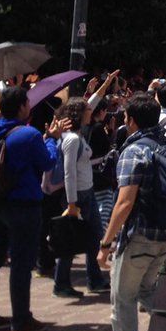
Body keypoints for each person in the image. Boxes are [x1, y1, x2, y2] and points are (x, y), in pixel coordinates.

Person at [0, 86, 65, 331]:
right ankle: (21, 319)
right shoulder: (28, 135)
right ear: (22, 107)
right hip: (23, 204)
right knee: (22, 261)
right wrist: (52, 140)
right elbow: (47, 162)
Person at [98, 92, 166, 331]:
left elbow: (125, 203)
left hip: (139, 236)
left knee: (123, 298)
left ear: (130, 121)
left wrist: (105, 243)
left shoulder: (134, 151)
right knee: (147, 292)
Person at [53, 97, 108, 297]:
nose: (90, 111)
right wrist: (71, 203)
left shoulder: (76, 136)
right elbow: (69, 172)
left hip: (86, 191)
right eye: (86, 109)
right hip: (78, 195)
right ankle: (62, 284)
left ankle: (94, 279)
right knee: (71, 240)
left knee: (92, 238)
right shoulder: (72, 139)